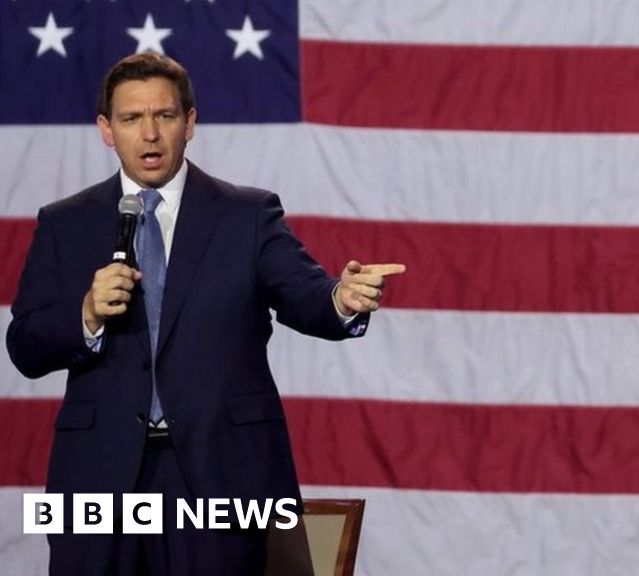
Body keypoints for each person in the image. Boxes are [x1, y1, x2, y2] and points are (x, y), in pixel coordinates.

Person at [6, 52, 405, 575]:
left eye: (165, 116)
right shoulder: (65, 223)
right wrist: (86, 314)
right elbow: (26, 346)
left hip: (221, 474)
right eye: (131, 119)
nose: (149, 134)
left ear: (189, 123)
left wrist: (341, 299)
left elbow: (306, 295)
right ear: (106, 130)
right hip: (100, 474)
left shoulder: (247, 214)